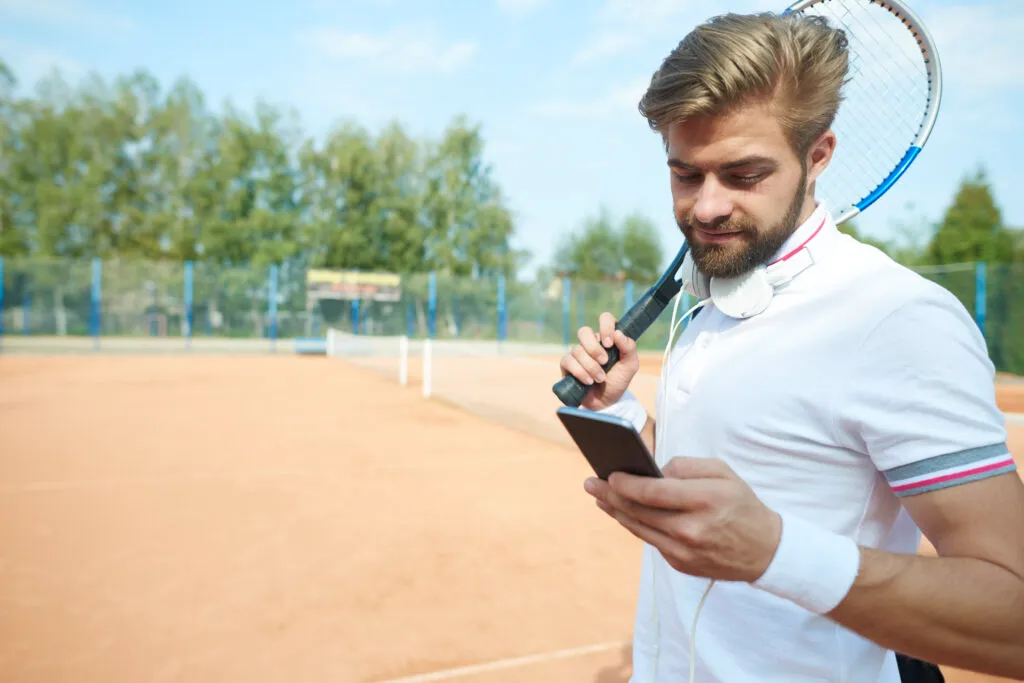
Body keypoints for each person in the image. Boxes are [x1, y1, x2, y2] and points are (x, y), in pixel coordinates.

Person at [558, 11, 1024, 683]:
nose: (706, 207)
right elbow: (720, 493)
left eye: (742, 174)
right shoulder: (715, 298)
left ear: (819, 156)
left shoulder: (896, 319)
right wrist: (622, 409)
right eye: (686, 174)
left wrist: (775, 550)